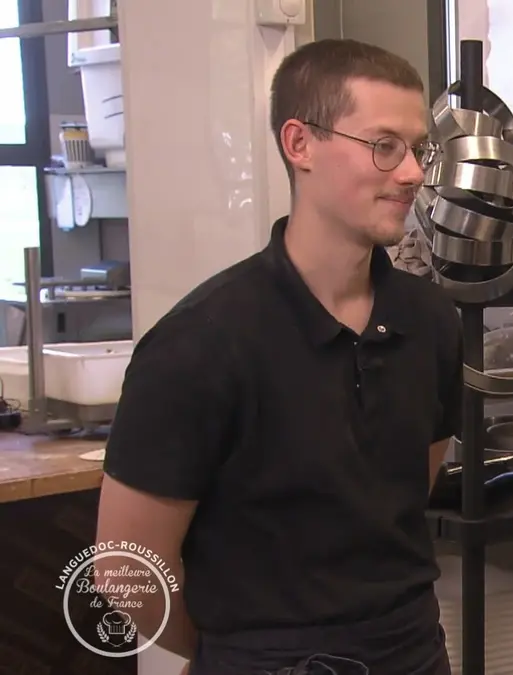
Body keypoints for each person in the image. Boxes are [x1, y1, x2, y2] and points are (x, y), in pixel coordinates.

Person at [94, 39, 462, 675]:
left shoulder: (430, 322)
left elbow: (408, 490)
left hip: (411, 652)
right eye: (384, 146)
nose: (412, 173)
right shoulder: (202, 343)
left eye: (418, 149)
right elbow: (127, 564)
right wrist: (224, 655)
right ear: (300, 144)